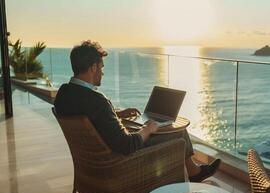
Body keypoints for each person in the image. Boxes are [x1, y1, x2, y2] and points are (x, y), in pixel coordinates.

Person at [54, 40, 220, 182]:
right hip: (118, 166)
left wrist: (116, 115)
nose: (102, 73)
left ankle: (194, 172)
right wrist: (147, 128)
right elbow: (127, 145)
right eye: (101, 67)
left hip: (92, 167)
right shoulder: (97, 101)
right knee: (179, 134)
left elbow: (89, 117)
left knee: (158, 131)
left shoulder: (63, 94)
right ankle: (194, 173)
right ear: (93, 68)